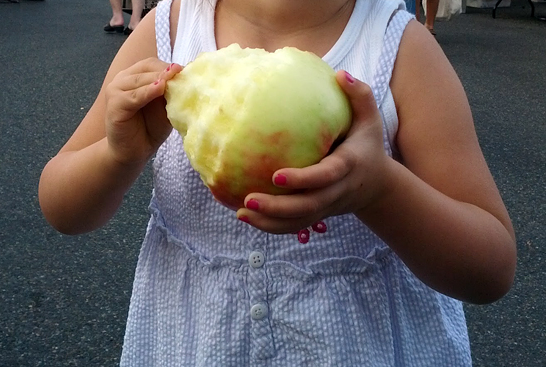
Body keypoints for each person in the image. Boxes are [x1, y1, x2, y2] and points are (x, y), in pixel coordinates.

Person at [38, 0, 517, 365]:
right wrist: (120, 155)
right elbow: (62, 205)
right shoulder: (169, 31)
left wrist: (383, 189)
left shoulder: (397, 48)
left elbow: (490, 266)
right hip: (197, 343)